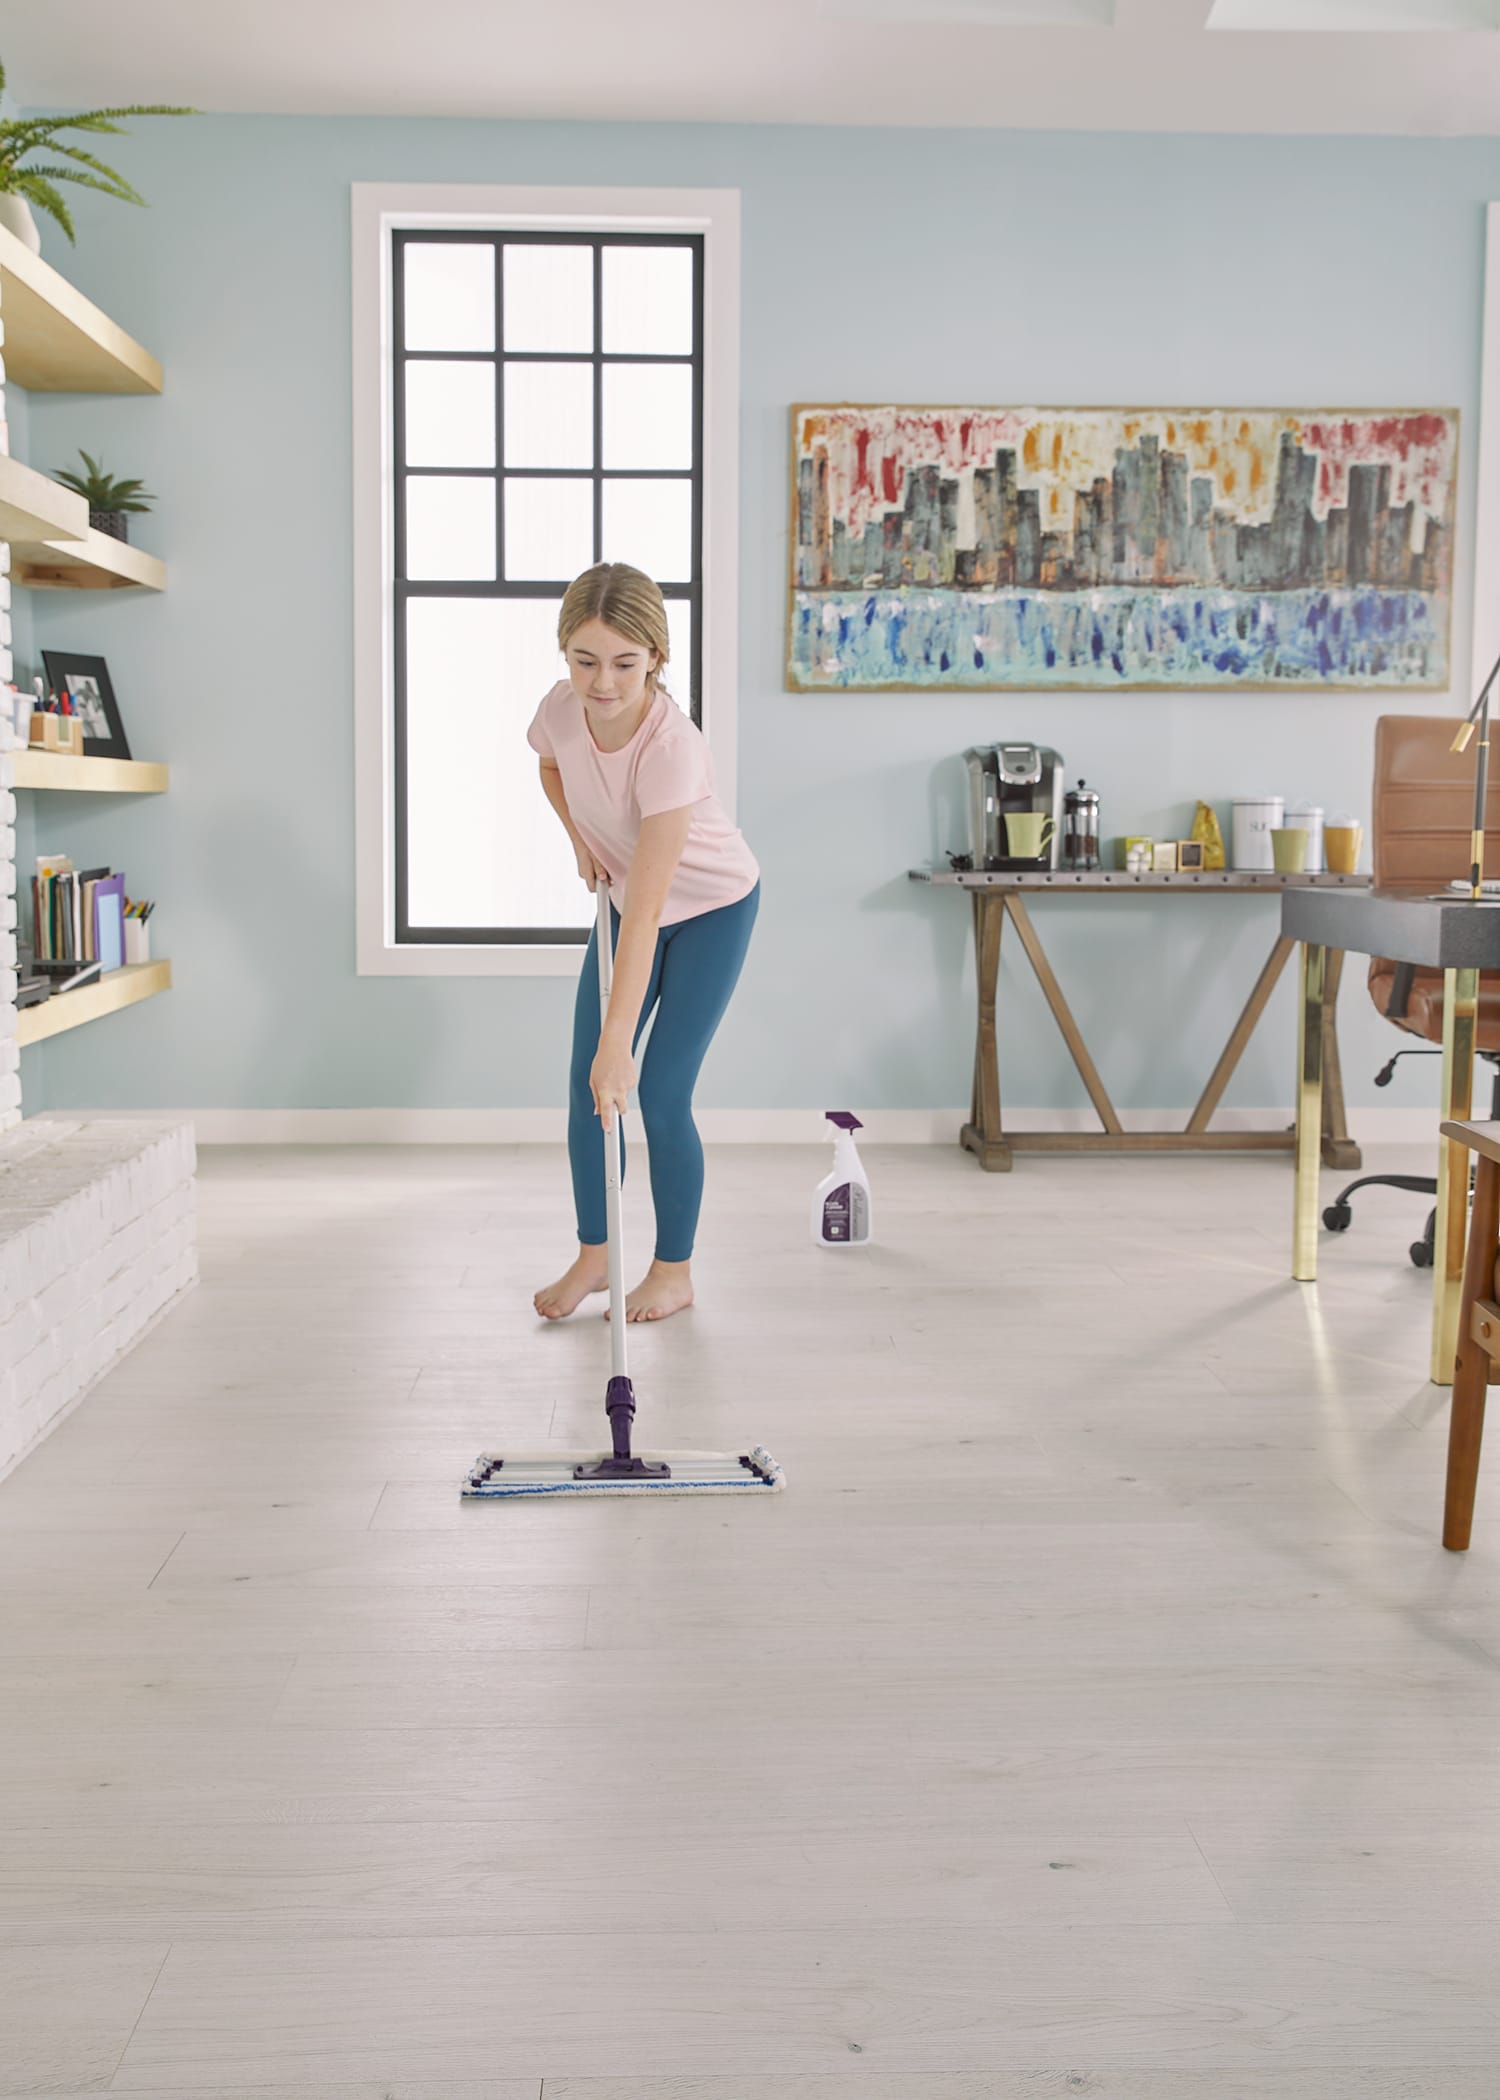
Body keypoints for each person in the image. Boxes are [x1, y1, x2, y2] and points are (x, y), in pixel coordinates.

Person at [528, 562, 760, 1323]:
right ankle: (598, 1253)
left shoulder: (672, 749)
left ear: (656, 657)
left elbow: (655, 906)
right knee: (584, 1085)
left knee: (656, 1091)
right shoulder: (563, 710)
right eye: (584, 660)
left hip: (710, 909)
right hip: (632, 900)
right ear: (564, 654)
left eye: (625, 663)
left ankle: (672, 1271)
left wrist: (619, 1040)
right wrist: (576, 840)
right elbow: (551, 766)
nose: (602, 683)